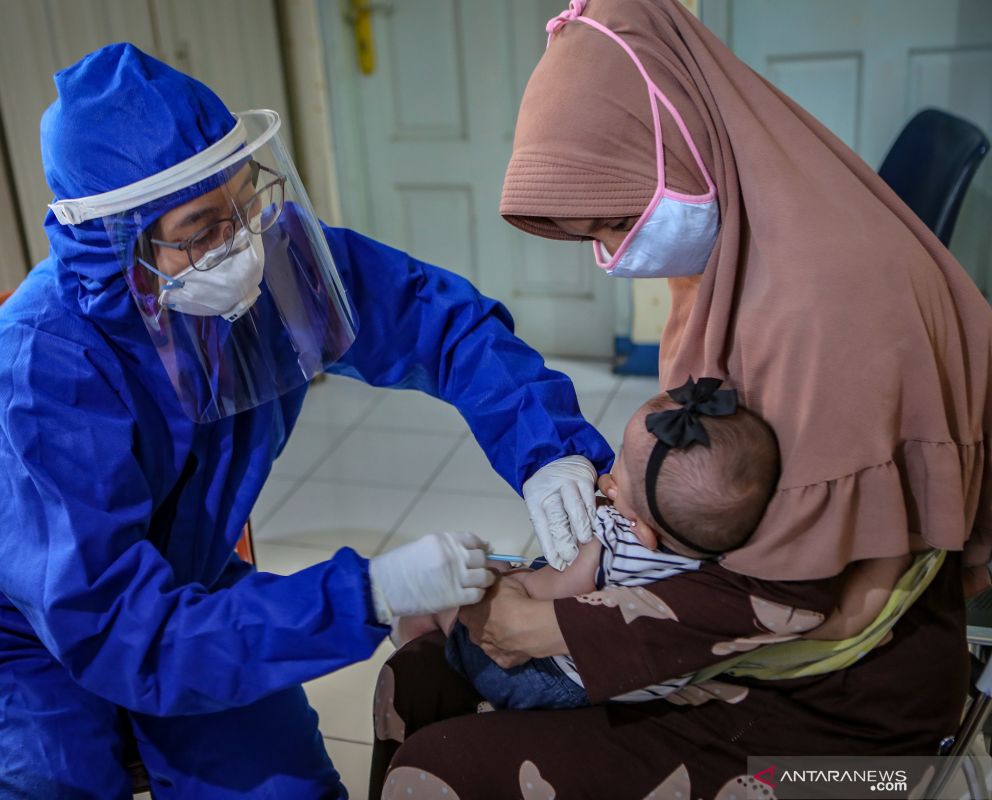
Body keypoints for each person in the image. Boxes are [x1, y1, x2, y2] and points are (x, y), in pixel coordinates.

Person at [0, 43, 615, 799]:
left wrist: (548, 451)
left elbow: (441, 325)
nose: (240, 243)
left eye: (245, 200)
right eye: (202, 227)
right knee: (50, 783)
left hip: (183, 590)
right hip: (12, 633)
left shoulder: (265, 263)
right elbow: (119, 626)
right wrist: (366, 593)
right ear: (121, 254)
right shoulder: (37, 379)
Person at [371, 1, 992, 797]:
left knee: (437, 771)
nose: (611, 254)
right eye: (595, 232)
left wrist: (547, 620)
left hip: (847, 732)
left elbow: (798, 594)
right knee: (418, 675)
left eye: (619, 221)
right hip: (742, 655)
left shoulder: (832, 312)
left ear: (679, 144)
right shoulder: (743, 255)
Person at [442, 381, 780, 711]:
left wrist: (506, 578)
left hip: (553, 685)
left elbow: (541, 591)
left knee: (474, 586)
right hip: (638, 687)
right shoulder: (721, 556)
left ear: (643, 530)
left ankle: (438, 642)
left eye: (621, 472)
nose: (610, 477)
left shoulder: (611, 547)